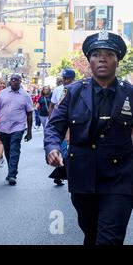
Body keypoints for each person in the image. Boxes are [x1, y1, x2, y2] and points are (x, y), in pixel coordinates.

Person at [45, 31, 133, 245]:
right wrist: (52, 148)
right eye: (96, 54)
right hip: (83, 176)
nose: (102, 58)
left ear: (117, 60)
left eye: (109, 54)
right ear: (89, 61)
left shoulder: (130, 93)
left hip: (120, 177)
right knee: (91, 234)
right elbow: (54, 127)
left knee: (109, 238)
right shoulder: (73, 93)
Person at [0, 73, 34, 185]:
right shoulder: (3, 94)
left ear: (20, 81)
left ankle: (12, 175)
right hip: (3, 127)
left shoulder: (25, 96)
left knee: (14, 150)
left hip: (18, 127)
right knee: (7, 150)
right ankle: (11, 170)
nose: (14, 81)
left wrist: (29, 131)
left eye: (16, 79)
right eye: (12, 79)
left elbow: (29, 114)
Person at [48, 69, 76, 186]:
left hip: (72, 125)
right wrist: (51, 121)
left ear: (72, 79)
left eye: (67, 79)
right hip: (60, 124)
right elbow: (52, 105)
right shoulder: (58, 90)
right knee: (62, 149)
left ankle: (61, 172)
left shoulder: (77, 89)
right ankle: (61, 172)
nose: (64, 81)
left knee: (67, 150)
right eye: (63, 78)